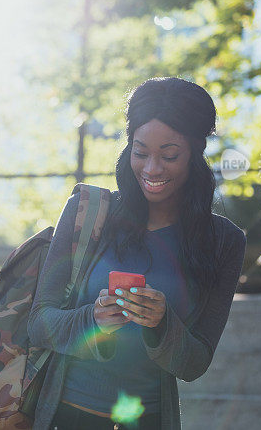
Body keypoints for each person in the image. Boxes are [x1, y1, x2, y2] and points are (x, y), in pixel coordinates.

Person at [27, 77, 247, 430]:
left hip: (148, 420)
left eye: (169, 155)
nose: (152, 169)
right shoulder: (88, 213)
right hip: (66, 416)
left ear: (195, 152)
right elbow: (38, 324)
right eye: (141, 152)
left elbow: (195, 363)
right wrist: (93, 319)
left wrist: (162, 323)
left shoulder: (224, 241)